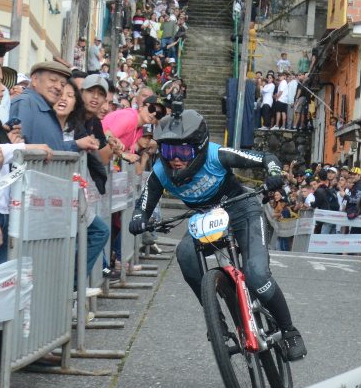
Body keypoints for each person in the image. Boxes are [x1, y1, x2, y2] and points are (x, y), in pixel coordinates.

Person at [128, 109, 307, 361]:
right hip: (207, 221)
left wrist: (275, 174)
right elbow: (143, 205)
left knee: (257, 275)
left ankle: (290, 330)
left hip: (243, 210)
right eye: (169, 152)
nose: (175, 161)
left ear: (199, 148)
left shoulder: (216, 155)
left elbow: (268, 157)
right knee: (185, 254)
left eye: (183, 152)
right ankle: (217, 321)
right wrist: (139, 219)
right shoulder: (160, 172)